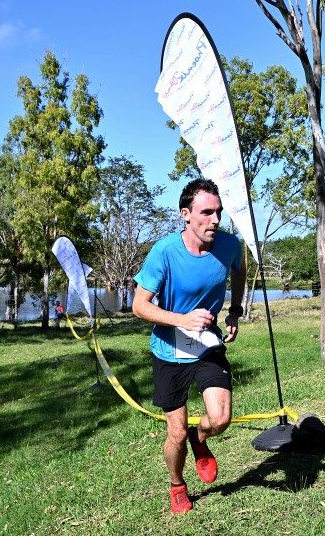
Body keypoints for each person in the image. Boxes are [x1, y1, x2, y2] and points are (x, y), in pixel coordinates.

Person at [132, 178, 246, 514]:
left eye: (218, 212)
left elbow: (239, 273)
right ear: (186, 214)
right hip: (169, 349)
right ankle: (177, 484)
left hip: (207, 344)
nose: (215, 220)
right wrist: (181, 319)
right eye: (206, 212)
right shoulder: (165, 252)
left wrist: (235, 310)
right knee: (176, 434)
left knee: (221, 418)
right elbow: (139, 306)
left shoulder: (230, 246)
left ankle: (202, 438)